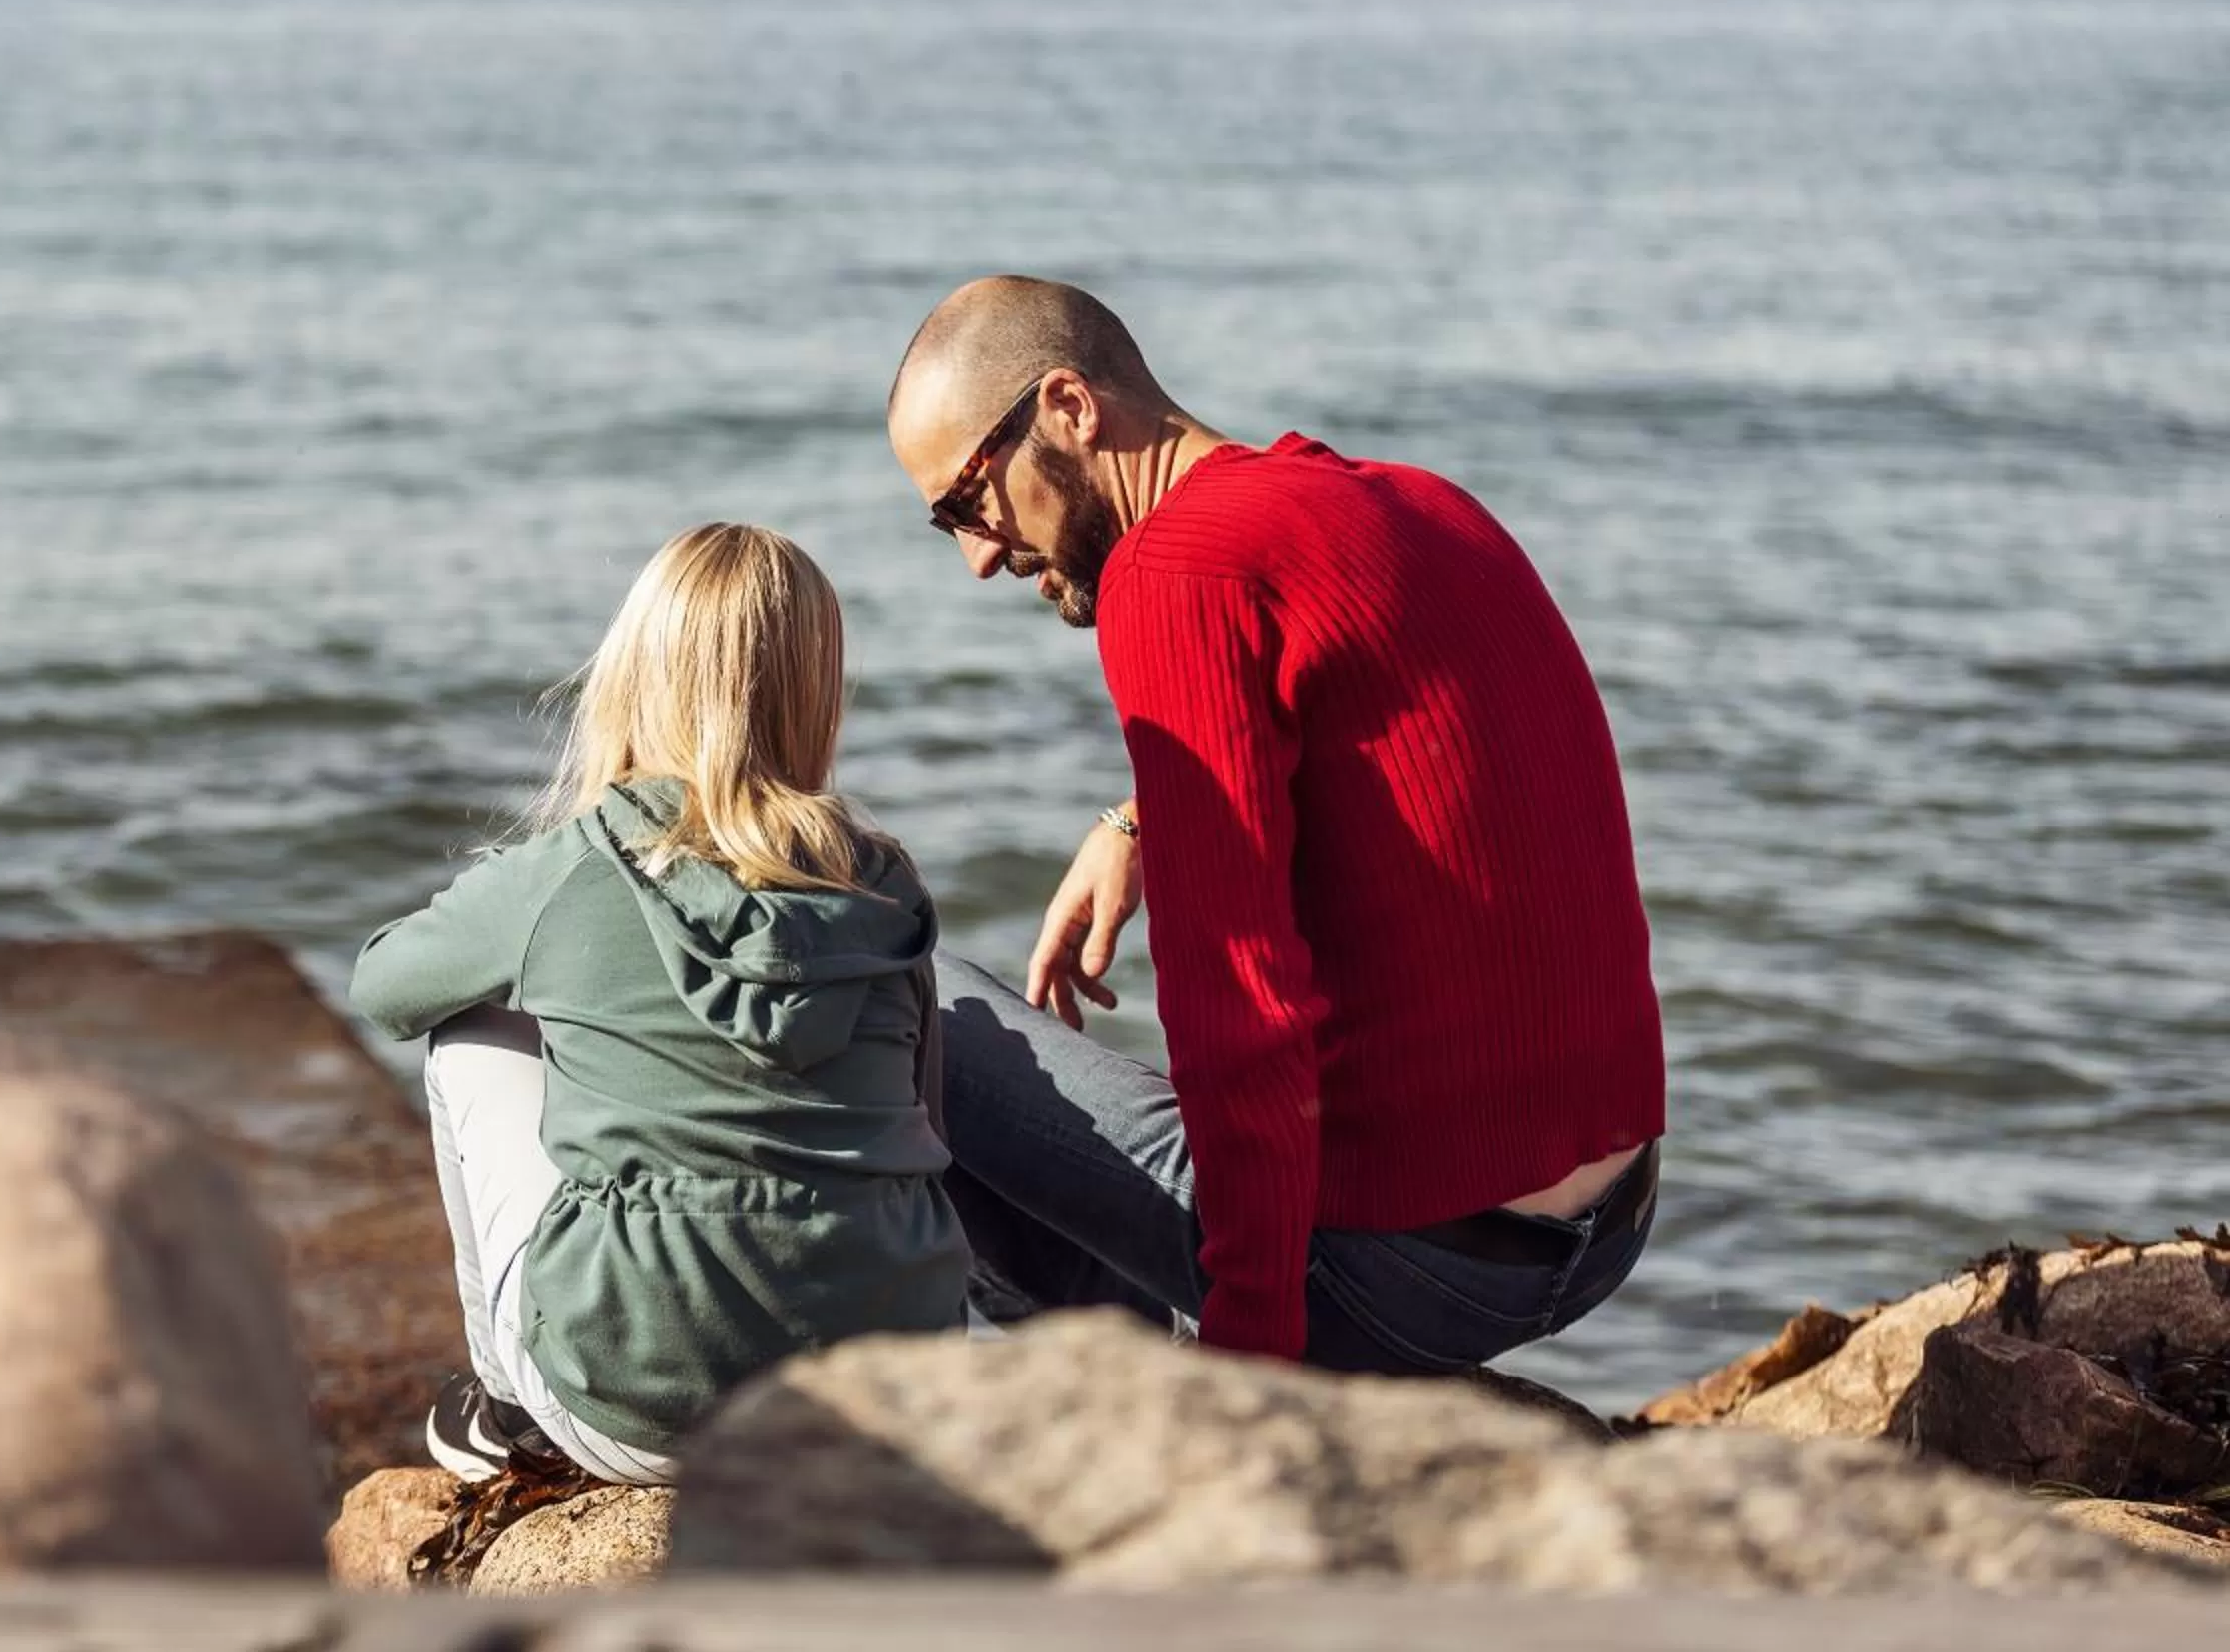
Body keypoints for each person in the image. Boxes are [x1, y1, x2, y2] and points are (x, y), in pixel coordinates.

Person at [884, 275, 1667, 1374]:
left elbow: (1240, 1013)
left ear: (1068, 405)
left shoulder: (1176, 572)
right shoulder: (1414, 499)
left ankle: (1093, 1395)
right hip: (1608, 1227)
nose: (978, 552)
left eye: (969, 499)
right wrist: (1141, 817)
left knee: (897, 991)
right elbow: (1415, 754)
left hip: (1409, 1274)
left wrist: (1256, 1372)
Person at [349, 522, 967, 1484]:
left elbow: (385, 986)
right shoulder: (885, 887)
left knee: (466, 1031)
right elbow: (924, 1128)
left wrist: (539, 957)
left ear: (635, 673)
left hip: (643, 1406)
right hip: (893, 1380)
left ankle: (510, 1408)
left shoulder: (573, 866)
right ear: (815, 693)